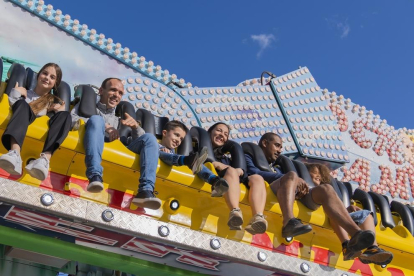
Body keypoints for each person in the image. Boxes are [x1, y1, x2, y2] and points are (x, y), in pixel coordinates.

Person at [246, 132, 376, 257]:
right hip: (270, 187)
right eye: (277, 145)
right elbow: (253, 172)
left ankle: (355, 234)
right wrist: (291, 178)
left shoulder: (280, 165)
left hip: (294, 192)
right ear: (264, 143)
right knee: (291, 175)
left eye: (281, 147)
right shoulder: (249, 154)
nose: (280, 150)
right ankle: (289, 222)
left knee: (326, 188)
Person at [70, 78, 161, 210]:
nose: (116, 95)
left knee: (150, 138)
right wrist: (103, 125)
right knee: (96, 120)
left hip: (118, 148)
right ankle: (95, 175)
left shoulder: (119, 121)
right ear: (101, 91)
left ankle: (145, 190)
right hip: (91, 143)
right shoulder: (87, 108)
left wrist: (136, 127)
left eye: (120, 93)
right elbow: (72, 119)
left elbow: (143, 144)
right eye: (113, 90)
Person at [305, 163, 393, 265]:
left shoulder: (327, 192)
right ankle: (347, 245)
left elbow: (334, 205)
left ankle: (372, 248)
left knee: (365, 214)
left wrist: (347, 209)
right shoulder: (309, 189)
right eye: (315, 172)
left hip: (332, 215)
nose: (318, 176)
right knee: (336, 215)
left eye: (320, 174)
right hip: (328, 215)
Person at [0, 63, 71, 181]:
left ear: (55, 84)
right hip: (21, 123)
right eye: (45, 73)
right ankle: (15, 153)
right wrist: (16, 93)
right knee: (22, 104)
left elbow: (62, 125)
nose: (47, 78)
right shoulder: (24, 93)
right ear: (38, 75)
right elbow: (11, 108)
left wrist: (59, 112)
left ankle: (44, 160)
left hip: (39, 140)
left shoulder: (54, 103)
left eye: (52, 77)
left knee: (65, 116)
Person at [208, 122, 268, 234]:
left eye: (225, 134)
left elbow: (242, 175)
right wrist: (216, 164)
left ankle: (258, 217)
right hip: (213, 179)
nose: (222, 135)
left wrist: (240, 170)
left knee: (257, 178)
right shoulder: (197, 147)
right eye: (219, 131)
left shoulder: (225, 158)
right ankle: (235, 211)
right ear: (210, 132)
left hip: (232, 179)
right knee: (231, 170)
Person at [158, 120, 229, 197]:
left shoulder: (175, 151)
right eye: (176, 135)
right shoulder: (154, 143)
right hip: (162, 161)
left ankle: (214, 180)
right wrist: (162, 150)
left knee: (197, 163)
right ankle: (187, 160)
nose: (178, 140)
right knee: (161, 153)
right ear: (164, 133)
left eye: (181, 139)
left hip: (176, 166)